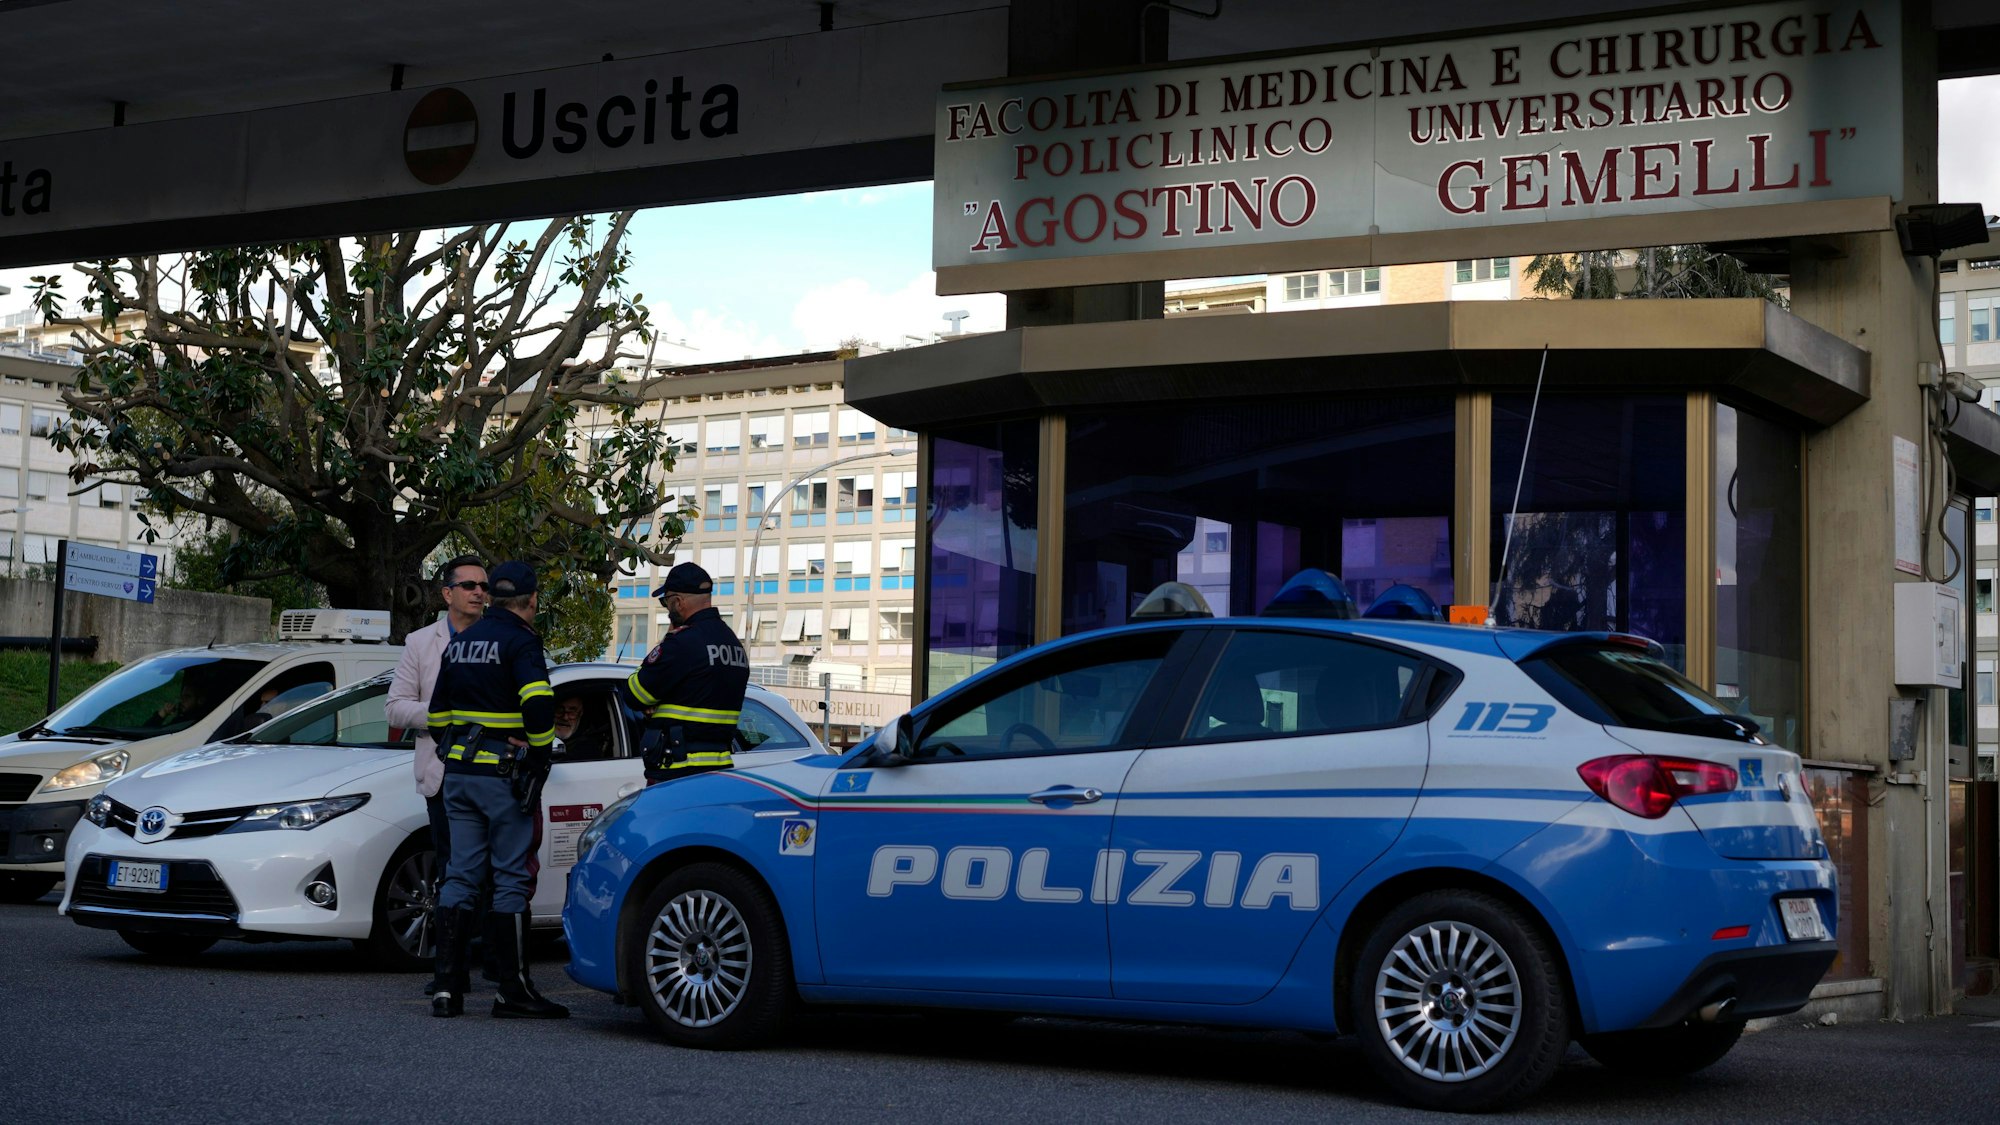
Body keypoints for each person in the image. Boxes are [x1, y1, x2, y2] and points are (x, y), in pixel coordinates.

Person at [423, 560, 567, 1020]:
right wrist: (540, 755)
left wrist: (457, 749)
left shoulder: (462, 643)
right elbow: (539, 704)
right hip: (503, 778)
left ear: (493, 597)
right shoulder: (521, 641)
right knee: (510, 879)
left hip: (460, 776)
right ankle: (513, 991)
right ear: (532, 600)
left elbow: (437, 714)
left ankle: (446, 988)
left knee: (460, 876)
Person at [385, 556, 488, 887]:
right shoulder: (420, 642)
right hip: (442, 775)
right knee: (451, 868)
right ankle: (451, 938)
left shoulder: (502, 638)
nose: (478, 592)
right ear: (447, 594)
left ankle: (482, 938)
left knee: (490, 873)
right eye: (468, 585)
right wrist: (442, 714)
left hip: (491, 774)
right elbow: (395, 708)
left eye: (483, 586)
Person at [621, 562, 749, 786]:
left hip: (677, 772)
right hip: (718, 772)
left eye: (666, 602)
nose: (667, 609)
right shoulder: (734, 645)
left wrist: (666, 642)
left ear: (678, 602)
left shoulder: (682, 642)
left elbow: (634, 694)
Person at [552, 694, 606, 759]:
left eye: (572, 711)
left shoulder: (588, 751)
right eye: (559, 710)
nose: (565, 717)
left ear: (581, 713)